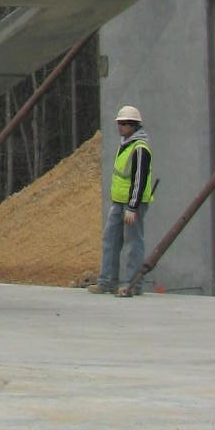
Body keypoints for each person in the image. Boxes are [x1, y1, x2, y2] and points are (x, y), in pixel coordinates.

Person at [91, 103, 154, 297]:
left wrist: (132, 208)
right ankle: (107, 281)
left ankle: (132, 284)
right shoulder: (126, 145)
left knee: (133, 242)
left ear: (133, 126)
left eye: (124, 124)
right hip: (119, 203)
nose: (120, 127)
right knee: (110, 239)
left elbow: (139, 180)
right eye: (119, 123)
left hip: (132, 204)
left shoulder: (140, 148)